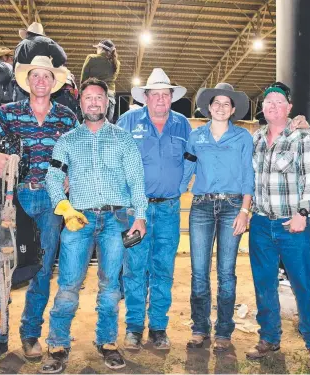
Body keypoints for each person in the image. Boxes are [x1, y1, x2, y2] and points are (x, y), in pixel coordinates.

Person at [0, 55, 78, 365]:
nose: (41, 81)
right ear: (27, 81)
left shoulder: (67, 117)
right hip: (12, 199)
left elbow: (81, 153)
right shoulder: (8, 113)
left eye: (46, 76)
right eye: (35, 76)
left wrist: (74, 173)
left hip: (51, 202)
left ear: (53, 82)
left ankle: (30, 333)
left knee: (42, 270)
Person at [43, 78, 147, 373]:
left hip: (116, 220)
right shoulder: (67, 140)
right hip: (80, 219)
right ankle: (58, 343)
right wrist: (62, 206)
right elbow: (53, 176)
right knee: (68, 283)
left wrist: (140, 215)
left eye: (99, 97)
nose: (93, 102)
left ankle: (107, 342)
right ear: (81, 102)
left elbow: (136, 179)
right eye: (88, 97)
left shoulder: (123, 139)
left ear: (106, 103)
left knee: (110, 285)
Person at [245, 82, 310, 370]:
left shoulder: (302, 137)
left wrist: (303, 214)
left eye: (279, 102)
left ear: (289, 108)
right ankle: (269, 336)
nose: (273, 106)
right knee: (263, 284)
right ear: (263, 108)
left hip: (291, 222)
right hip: (261, 223)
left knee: (303, 284)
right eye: (268, 102)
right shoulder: (255, 139)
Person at [116, 68, 192, 351]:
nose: (160, 99)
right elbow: (115, 161)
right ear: (145, 97)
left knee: (163, 268)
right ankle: (134, 328)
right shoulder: (127, 121)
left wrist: (180, 186)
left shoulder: (182, 125)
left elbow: (191, 158)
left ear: (171, 97)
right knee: (135, 268)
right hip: (136, 210)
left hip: (170, 210)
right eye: (155, 94)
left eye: (165, 94)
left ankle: (158, 328)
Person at [178, 82, 253, 351]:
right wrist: (174, 192)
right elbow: (188, 167)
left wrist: (245, 210)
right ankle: (199, 328)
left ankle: (224, 330)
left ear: (233, 110)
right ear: (209, 107)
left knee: (226, 272)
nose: (221, 108)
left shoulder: (243, 138)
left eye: (226, 104)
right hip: (201, 207)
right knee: (199, 271)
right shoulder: (196, 137)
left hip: (233, 206)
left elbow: (248, 175)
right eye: (216, 103)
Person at [13, 22, 66, 102]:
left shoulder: (19, 45)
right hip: (40, 84)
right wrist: (53, 67)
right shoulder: (47, 41)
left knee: (19, 111)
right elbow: (62, 57)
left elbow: (15, 67)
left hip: (20, 84)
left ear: (28, 33)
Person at [81, 39, 120, 122]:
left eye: (97, 48)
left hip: (93, 95)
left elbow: (83, 80)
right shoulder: (116, 63)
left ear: (101, 49)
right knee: (106, 127)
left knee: (90, 126)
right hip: (110, 97)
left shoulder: (91, 58)